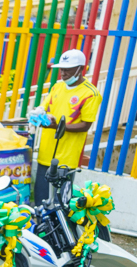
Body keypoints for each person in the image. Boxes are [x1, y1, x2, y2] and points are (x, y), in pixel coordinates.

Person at [28, 49, 102, 204]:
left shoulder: (91, 93)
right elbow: (44, 106)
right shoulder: (57, 86)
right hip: (45, 153)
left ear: (81, 68)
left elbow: (85, 125)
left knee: (59, 204)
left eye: (68, 69)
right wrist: (38, 114)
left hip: (66, 159)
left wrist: (58, 127)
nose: (63, 72)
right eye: (61, 68)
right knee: (41, 202)